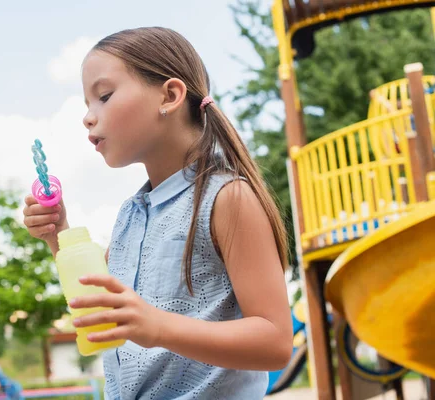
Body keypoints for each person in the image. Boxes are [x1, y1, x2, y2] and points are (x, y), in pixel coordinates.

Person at [23, 27, 293, 399]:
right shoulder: (130, 215)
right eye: (87, 105)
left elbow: (275, 341)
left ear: (169, 95)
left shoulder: (227, 198)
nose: (88, 117)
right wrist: (60, 236)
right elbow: (104, 307)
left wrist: (157, 326)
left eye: (103, 96)